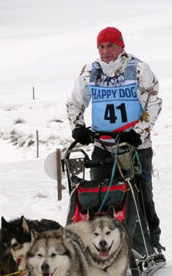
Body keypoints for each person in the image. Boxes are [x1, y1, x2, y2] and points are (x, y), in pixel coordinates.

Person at [65, 26, 164, 252]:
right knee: (98, 197)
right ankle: (100, 247)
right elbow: (74, 103)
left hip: (134, 146)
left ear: (121, 46)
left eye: (110, 45)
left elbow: (154, 103)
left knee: (141, 196)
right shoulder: (90, 72)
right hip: (104, 145)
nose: (105, 51)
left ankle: (151, 243)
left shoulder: (138, 69)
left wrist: (138, 132)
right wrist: (78, 128)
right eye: (101, 46)